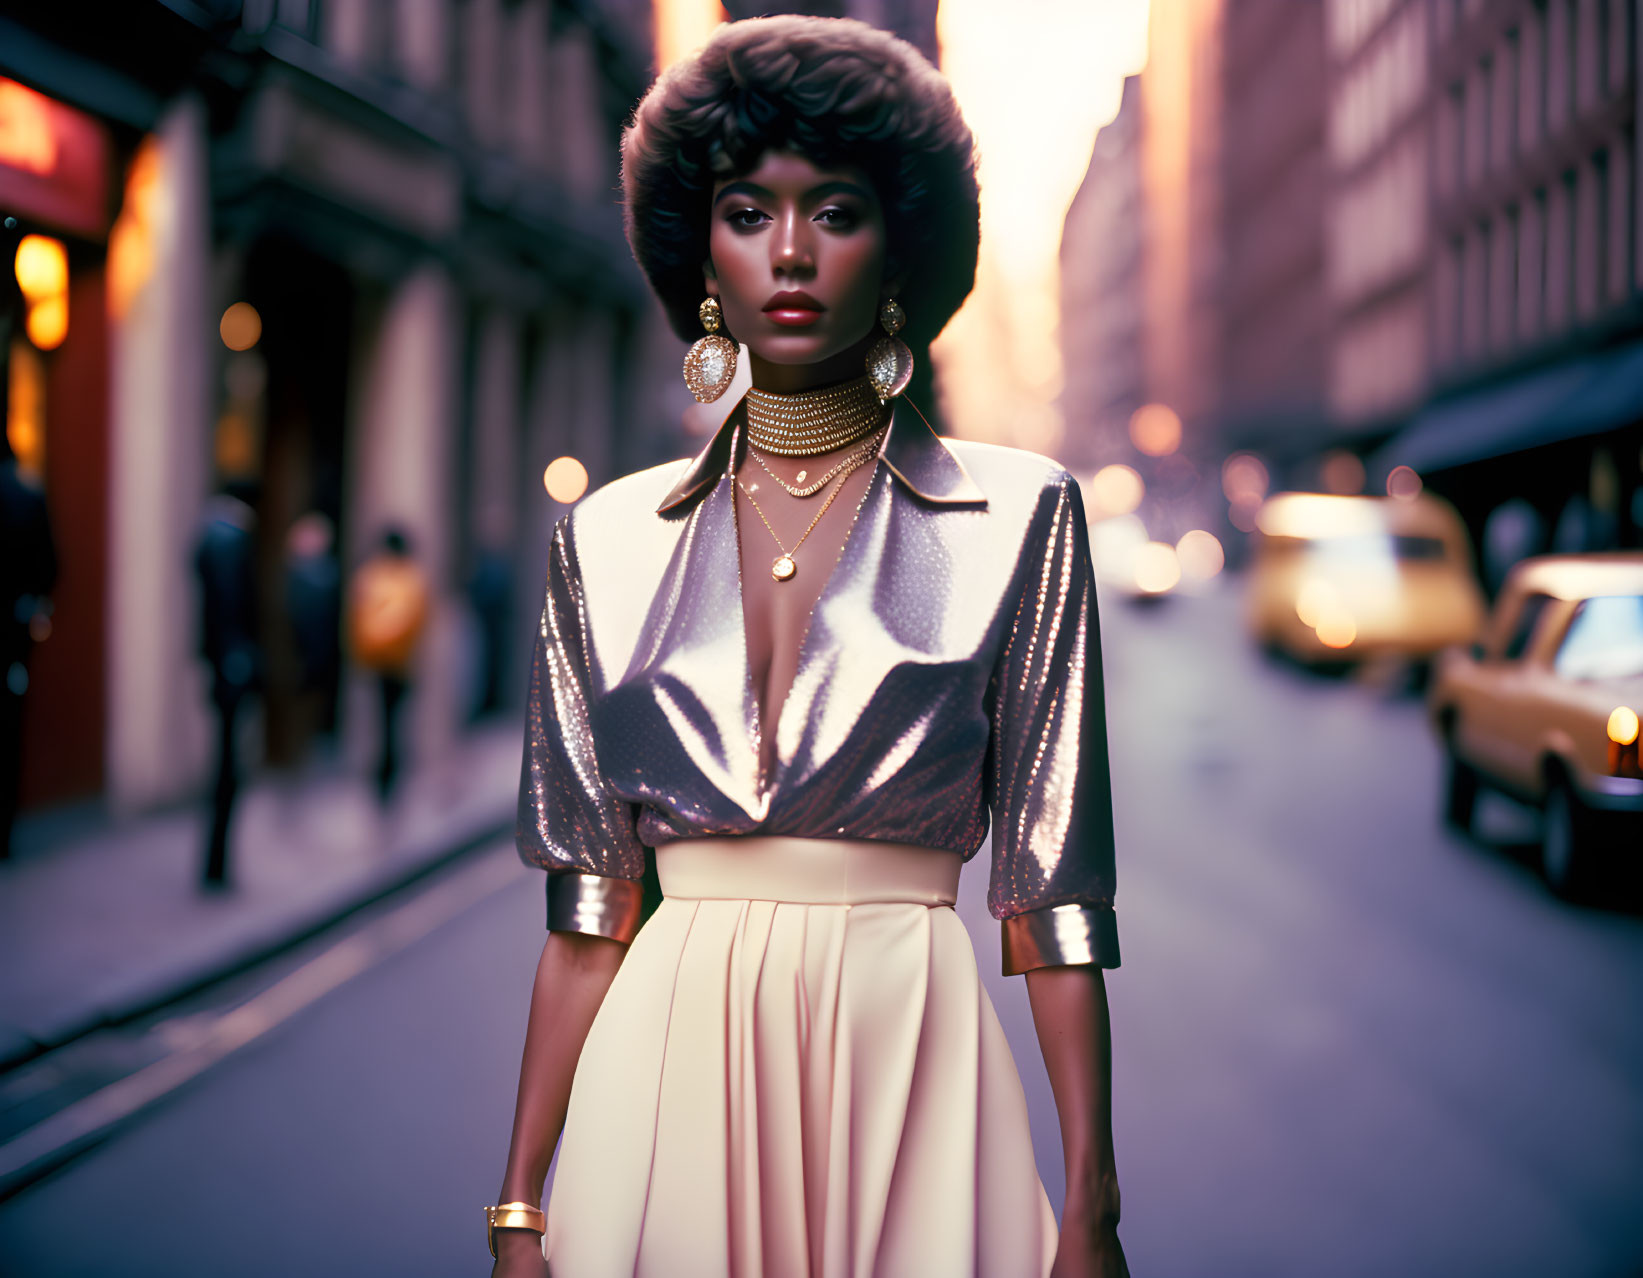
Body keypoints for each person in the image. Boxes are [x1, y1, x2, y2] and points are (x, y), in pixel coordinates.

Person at [490, 17, 1126, 1277]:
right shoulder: (604, 538)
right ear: (700, 252)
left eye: (833, 211)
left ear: (899, 246)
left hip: (912, 1054)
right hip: (660, 1065)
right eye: (746, 210)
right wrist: (518, 1203)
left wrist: (1090, 1204)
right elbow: (587, 917)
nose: (788, 251)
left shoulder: (1022, 517)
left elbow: (1052, 900)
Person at [193, 484, 260, 889]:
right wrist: (240, 658)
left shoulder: (206, 536)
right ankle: (216, 866)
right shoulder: (232, 541)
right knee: (229, 767)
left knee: (225, 763)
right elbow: (234, 603)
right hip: (232, 665)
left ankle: (215, 863)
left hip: (218, 663)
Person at [347, 527, 429, 801]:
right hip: (395, 662)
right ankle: (386, 776)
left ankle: (384, 775)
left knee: (385, 723)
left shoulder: (372, 576)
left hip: (383, 661)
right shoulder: (407, 578)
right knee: (390, 724)